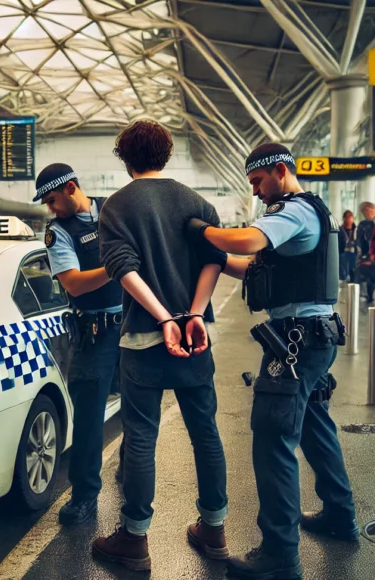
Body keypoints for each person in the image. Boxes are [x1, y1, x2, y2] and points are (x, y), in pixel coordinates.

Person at [187, 143, 356, 580]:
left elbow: (248, 239)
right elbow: (260, 267)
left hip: (297, 342)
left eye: (259, 181)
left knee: (272, 439)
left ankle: (280, 554)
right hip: (313, 337)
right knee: (315, 425)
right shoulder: (311, 211)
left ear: (280, 171)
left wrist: (200, 231)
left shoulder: (294, 210)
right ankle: (340, 515)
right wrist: (221, 260)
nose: (257, 191)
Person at [92, 120, 230, 572]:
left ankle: (134, 540)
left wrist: (163, 318)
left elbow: (122, 269)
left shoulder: (116, 205)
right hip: (195, 339)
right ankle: (214, 529)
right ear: (166, 154)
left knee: (142, 438)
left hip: (142, 341)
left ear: (125, 157)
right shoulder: (198, 203)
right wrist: (191, 314)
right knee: (205, 433)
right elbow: (215, 260)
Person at [34, 163, 124, 526]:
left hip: (132, 327)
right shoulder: (59, 232)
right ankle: (85, 495)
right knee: (88, 419)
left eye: (53, 200)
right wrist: (116, 268)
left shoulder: (114, 211)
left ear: (71, 188)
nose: (50, 208)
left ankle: (130, 471)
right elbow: (73, 284)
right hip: (94, 333)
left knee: (138, 409)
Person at [356, 202, 375, 303]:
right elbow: (360, 241)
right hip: (369, 255)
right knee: (368, 275)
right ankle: (369, 296)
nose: (368, 213)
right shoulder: (363, 225)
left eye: (370, 210)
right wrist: (363, 255)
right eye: (365, 211)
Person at [338, 210, 358, 282]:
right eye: (347, 217)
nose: (349, 219)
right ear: (344, 218)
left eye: (350, 216)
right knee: (343, 273)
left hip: (354, 254)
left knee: (354, 272)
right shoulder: (340, 230)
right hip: (343, 253)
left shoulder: (356, 229)